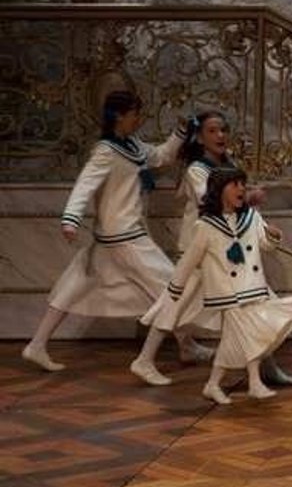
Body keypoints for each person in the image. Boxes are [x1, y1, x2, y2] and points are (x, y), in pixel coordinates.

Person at [22, 90, 211, 381]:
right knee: (172, 288)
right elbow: (85, 185)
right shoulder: (106, 151)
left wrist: (180, 133)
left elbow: (161, 156)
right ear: (119, 116)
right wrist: (71, 219)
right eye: (135, 113)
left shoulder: (133, 145)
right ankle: (161, 355)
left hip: (114, 235)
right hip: (124, 237)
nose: (139, 118)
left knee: (73, 285)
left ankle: (36, 345)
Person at [140, 111, 292, 385]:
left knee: (257, 303)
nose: (220, 135)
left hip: (226, 249)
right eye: (212, 131)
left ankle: (266, 365)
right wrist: (247, 197)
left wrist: (262, 227)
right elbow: (210, 201)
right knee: (173, 305)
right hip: (201, 249)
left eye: (223, 130)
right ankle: (144, 360)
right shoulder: (196, 170)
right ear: (200, 138)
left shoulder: (228, 164)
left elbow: (240, 212)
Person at [168, 167, 292, 404]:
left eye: (243, 184)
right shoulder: (206, 226)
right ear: (219, 190)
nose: (241, 189)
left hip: (253, 286)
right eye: (235, 184)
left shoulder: (251, 217)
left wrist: (272, 235)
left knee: (244, 338)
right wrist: (176, 287)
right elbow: (190, 259)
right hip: (228, 293)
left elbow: (265, 244)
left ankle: (226, 384)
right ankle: (248, 383)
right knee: (247, 336)